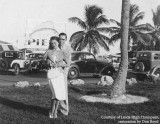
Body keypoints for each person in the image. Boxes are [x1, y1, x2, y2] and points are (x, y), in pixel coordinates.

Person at [43, 36, 70, 119]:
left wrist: (60, 64)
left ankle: (54, 112)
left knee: (59, 95)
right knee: (55, 94)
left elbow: (68, 63)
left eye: (55, 42)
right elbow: (43, 62)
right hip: (51, 74)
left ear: (58, 42)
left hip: (59, 74)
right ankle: (52, 111)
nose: (53, 44)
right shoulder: (48, 51)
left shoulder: (62, 52)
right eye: (52, 43)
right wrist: (47, 63)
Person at [59, 33, 72, 115]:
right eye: (60, 39)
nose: (61, 41)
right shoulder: (56, 47)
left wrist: (64, 73)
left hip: (63, 72)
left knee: (63, 91)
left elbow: (68, 62)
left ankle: (65, 110)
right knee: (56, 91)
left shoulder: (68, 49)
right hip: (56, 72)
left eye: (63, 39)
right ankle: (57, 108)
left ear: (66, 40)